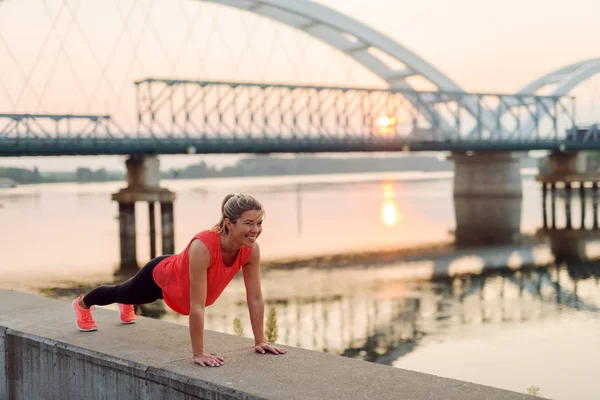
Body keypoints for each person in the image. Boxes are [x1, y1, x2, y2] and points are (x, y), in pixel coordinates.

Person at [72, 193, 286, 367]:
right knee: (121, 292)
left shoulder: (250, 250)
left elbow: (255, 298)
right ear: (229, 224)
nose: (256, 230)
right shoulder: (203, 246)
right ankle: (82, 304)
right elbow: (197, 306)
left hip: (180, 277)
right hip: (160, 277)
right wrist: (199, 353)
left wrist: (261, 341)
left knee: (129, 295)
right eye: (249, 223)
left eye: (259, 223)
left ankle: (126, 303)